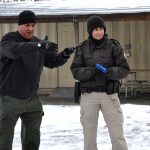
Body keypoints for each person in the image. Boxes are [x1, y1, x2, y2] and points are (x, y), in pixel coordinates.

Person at [0, 10, 74, 150]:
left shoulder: (38, 43)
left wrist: (64, 55)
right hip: (9, 98)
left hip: (32, 99)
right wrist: (39, 45)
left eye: (33, 25)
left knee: (32, 139)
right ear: (19, 25)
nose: (31, 29)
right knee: (4, 139)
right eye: (27, 25)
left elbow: (51, 62)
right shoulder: (8, 39)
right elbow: (13, 51)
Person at [70, 15, 130, 150]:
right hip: (89, 96)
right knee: (89, 136)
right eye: (95, 29)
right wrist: (91, 71)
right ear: (90, 31)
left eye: (101, 29)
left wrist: (110, 72)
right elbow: (75, 71)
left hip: (109, 95)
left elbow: (124, 69)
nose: (99, 32)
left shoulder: (114, 46)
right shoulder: (82, 48)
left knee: (117, 134)